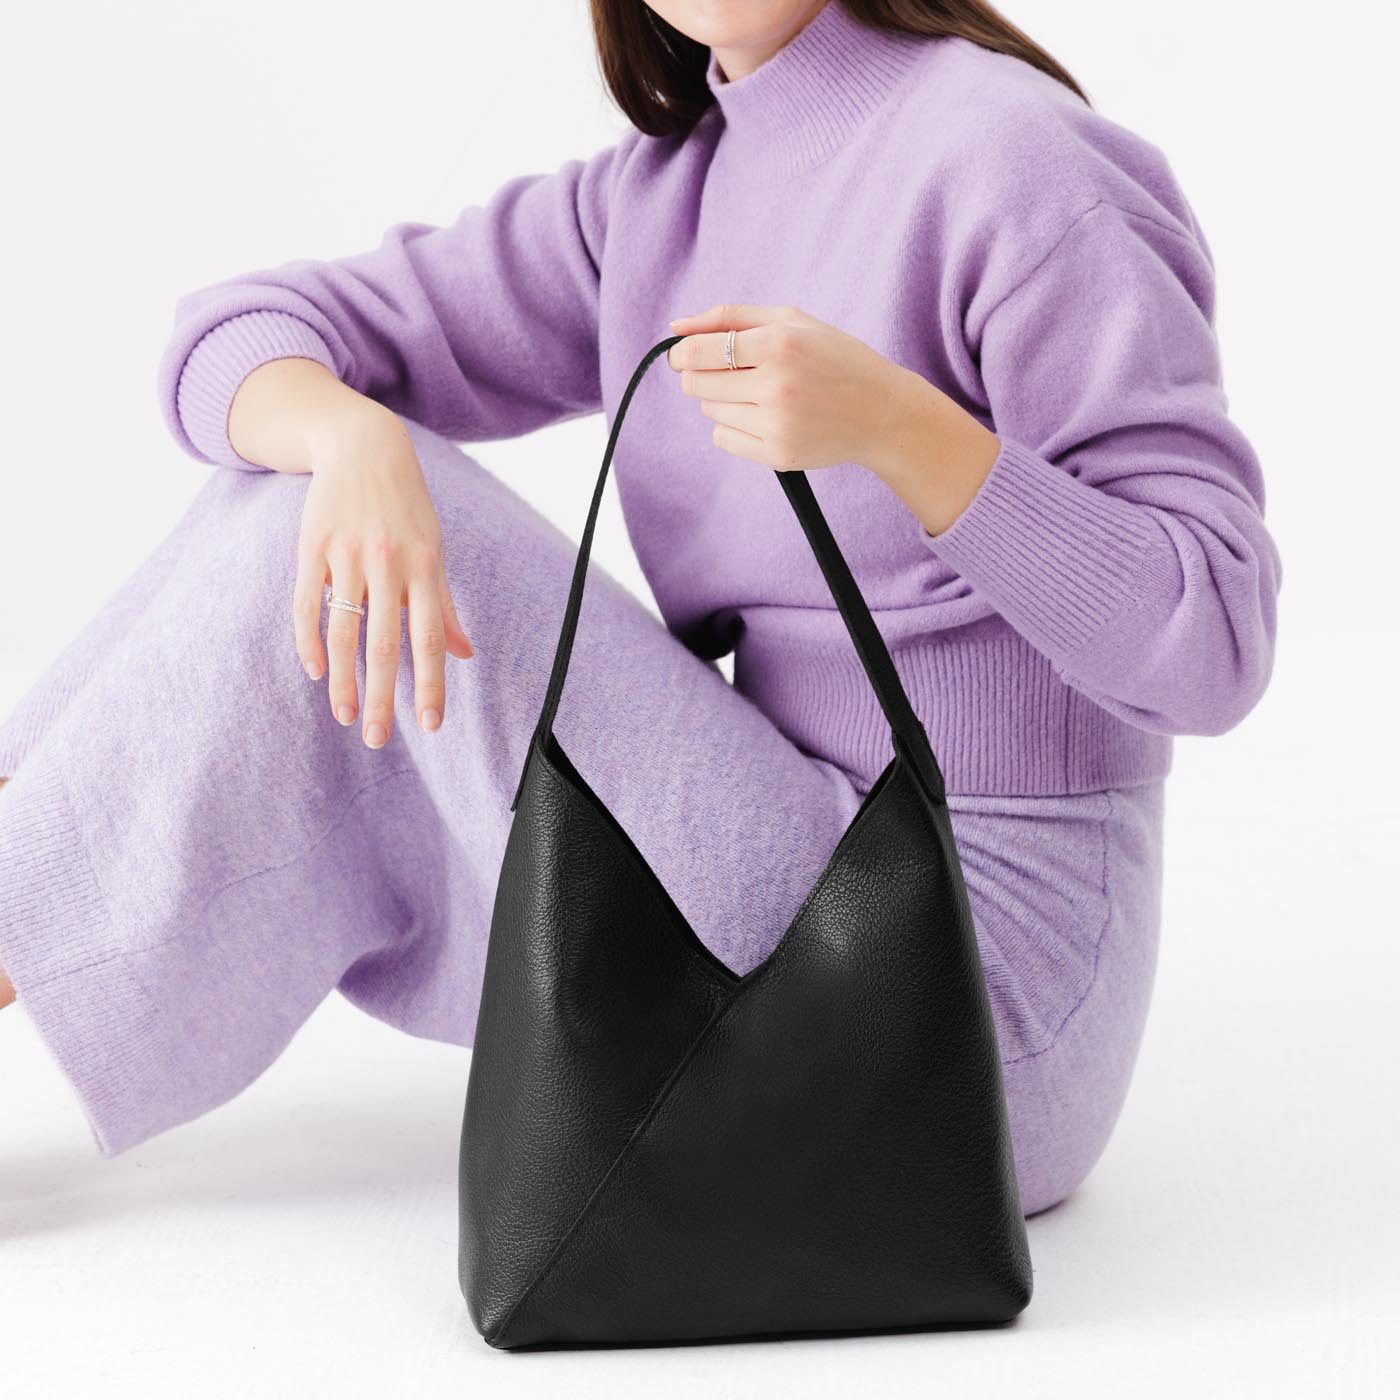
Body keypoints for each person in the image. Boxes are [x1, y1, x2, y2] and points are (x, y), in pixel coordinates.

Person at [0, 0, 1280, 1218]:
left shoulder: (1014, 157)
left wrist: (903, 431)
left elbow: (1214, 640)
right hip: (794, 854)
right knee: (294, 494)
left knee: (313, 530)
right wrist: (348, 437)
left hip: (978, 999)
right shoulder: (656, 201)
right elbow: (231, 336)